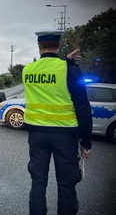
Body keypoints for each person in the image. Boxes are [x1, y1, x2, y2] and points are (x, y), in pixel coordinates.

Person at [22, 30, 93, 215]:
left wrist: (66, 62)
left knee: (38, 182)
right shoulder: (70, 69)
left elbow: (48, 73)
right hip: (65, 135)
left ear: (39, 46)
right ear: (59, 45)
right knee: (66, 184)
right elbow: (83, 108)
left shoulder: (27, 70)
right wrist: (86, 142)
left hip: (37, 135)